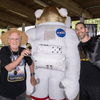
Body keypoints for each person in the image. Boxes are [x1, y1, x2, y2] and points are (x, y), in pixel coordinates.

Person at [0, 28, 36, 100]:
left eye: (17, 39)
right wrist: (21, 56)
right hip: (5, 92)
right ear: (9, 41)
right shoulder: (4, 50)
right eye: (12, 39)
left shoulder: (23, 50)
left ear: (20, 41)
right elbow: (8, 68)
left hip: (21, 91)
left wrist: (32, 76)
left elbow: (31, 63)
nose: (14, 41)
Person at [75, 22, 100, 100]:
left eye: (81, 28)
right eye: (77, 29)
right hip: (83, 83)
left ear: (86, 29)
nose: (79, 31)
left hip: (95, 84)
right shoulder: (79, 46)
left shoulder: (96, 42)